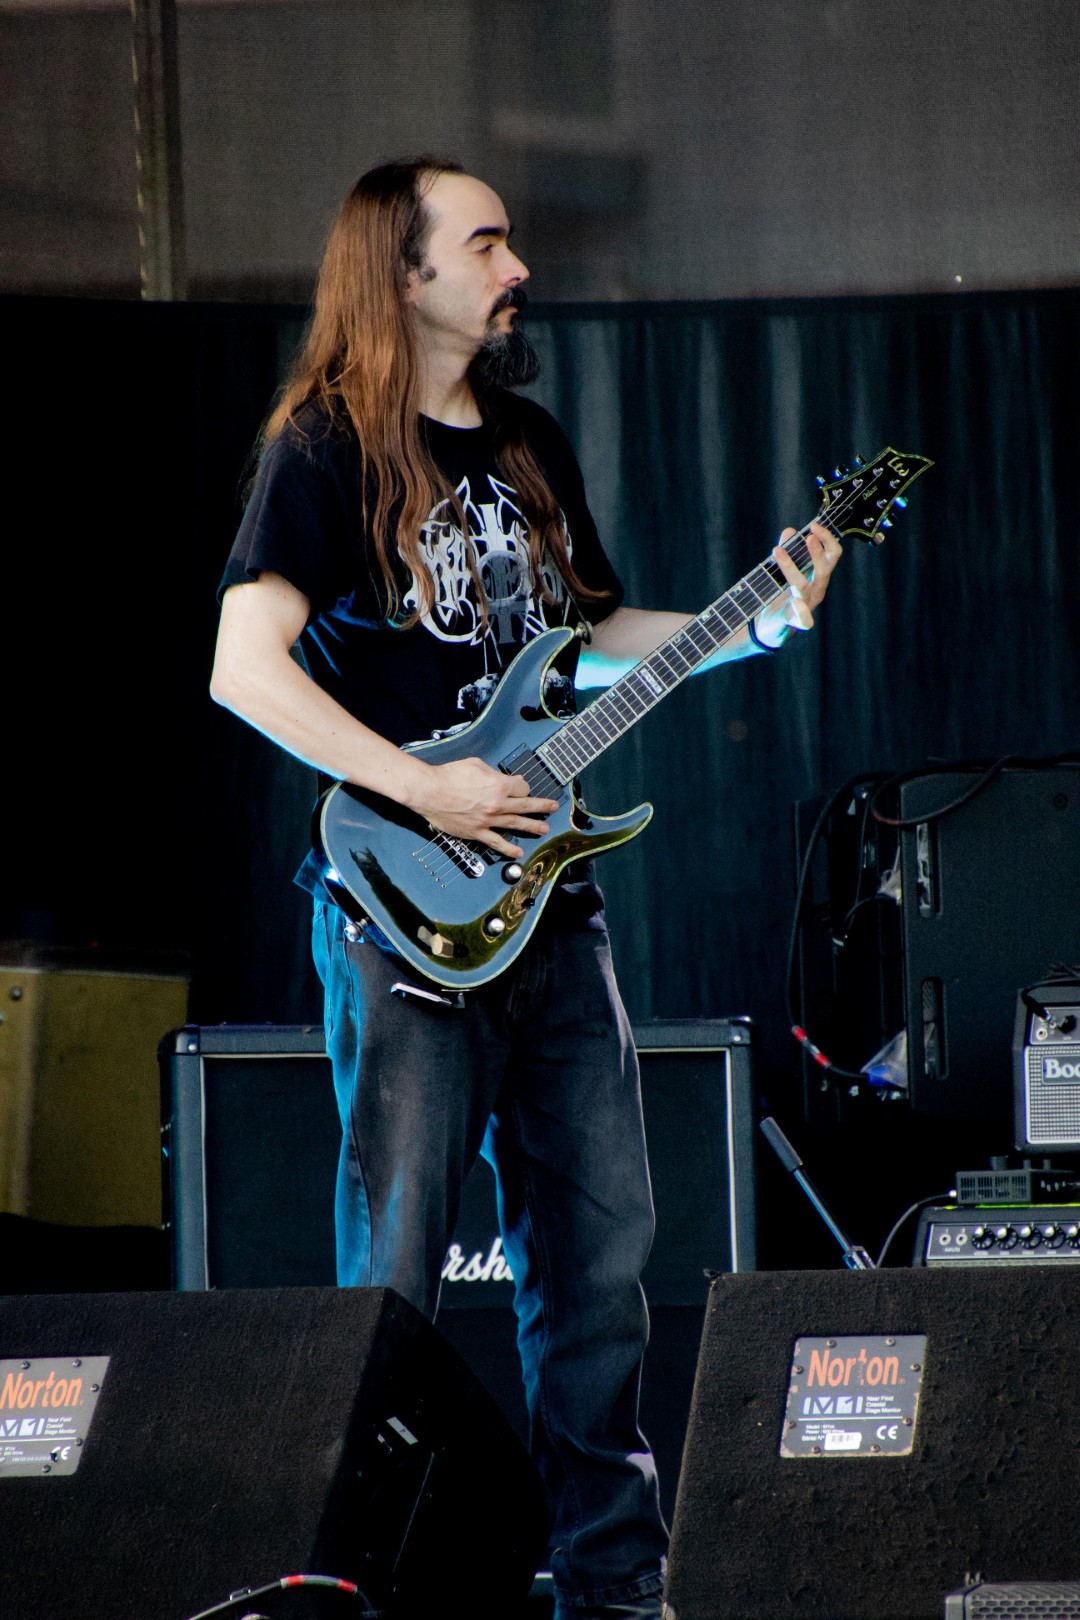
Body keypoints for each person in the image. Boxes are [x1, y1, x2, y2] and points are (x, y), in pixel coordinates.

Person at [211, 156, 842, 1620]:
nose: (518, 269)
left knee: (603, 1261)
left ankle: (614, 1585)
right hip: (403, 910)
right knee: (397, 1280)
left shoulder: (529, 444)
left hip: (552, 910)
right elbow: (243, 669)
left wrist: (758, 618)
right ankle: (363, 1582)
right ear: (405, 272)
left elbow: (593, 635)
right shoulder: (324, 448)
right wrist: (423, 787)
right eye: (488, 243)